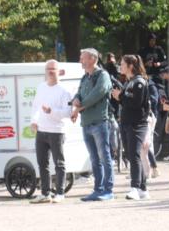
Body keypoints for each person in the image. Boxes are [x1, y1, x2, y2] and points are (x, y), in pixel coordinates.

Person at [72, 48, 115, 201]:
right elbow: (79, 92)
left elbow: (97, 95)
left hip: (100, 122)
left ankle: (108, 190)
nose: (80, 61)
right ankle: (98, 189)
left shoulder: (103, 75)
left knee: (105, 157)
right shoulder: (85, 77)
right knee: (94, 159)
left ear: (92, 59)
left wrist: (79, 107)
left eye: (82, 58)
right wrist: (75, 99)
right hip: (87, 123)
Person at [29, 60, 74, 204]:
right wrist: (34, 121)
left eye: (53, 69)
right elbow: (36, 107)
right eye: (48, 69)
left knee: (59, 163)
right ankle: (45, 193)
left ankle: (60, 193)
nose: (50, 71)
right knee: (42, 164)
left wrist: (51, 111)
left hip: (57, 131)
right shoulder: (41, 87)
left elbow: (68, 112)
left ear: (58, 71)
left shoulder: (64, 90)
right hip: (41, 131)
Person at [111, 55, 150, 200]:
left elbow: (136, 103)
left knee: (134, 155)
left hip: (137, 124)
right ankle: (143, 189)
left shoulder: (139, 82)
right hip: (127, 123)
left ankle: (134, 187)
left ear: (130, 66)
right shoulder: (129, 82)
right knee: (131, 154)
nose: (120, 66)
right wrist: (120, 97)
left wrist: (120, 97)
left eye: (122, 64)